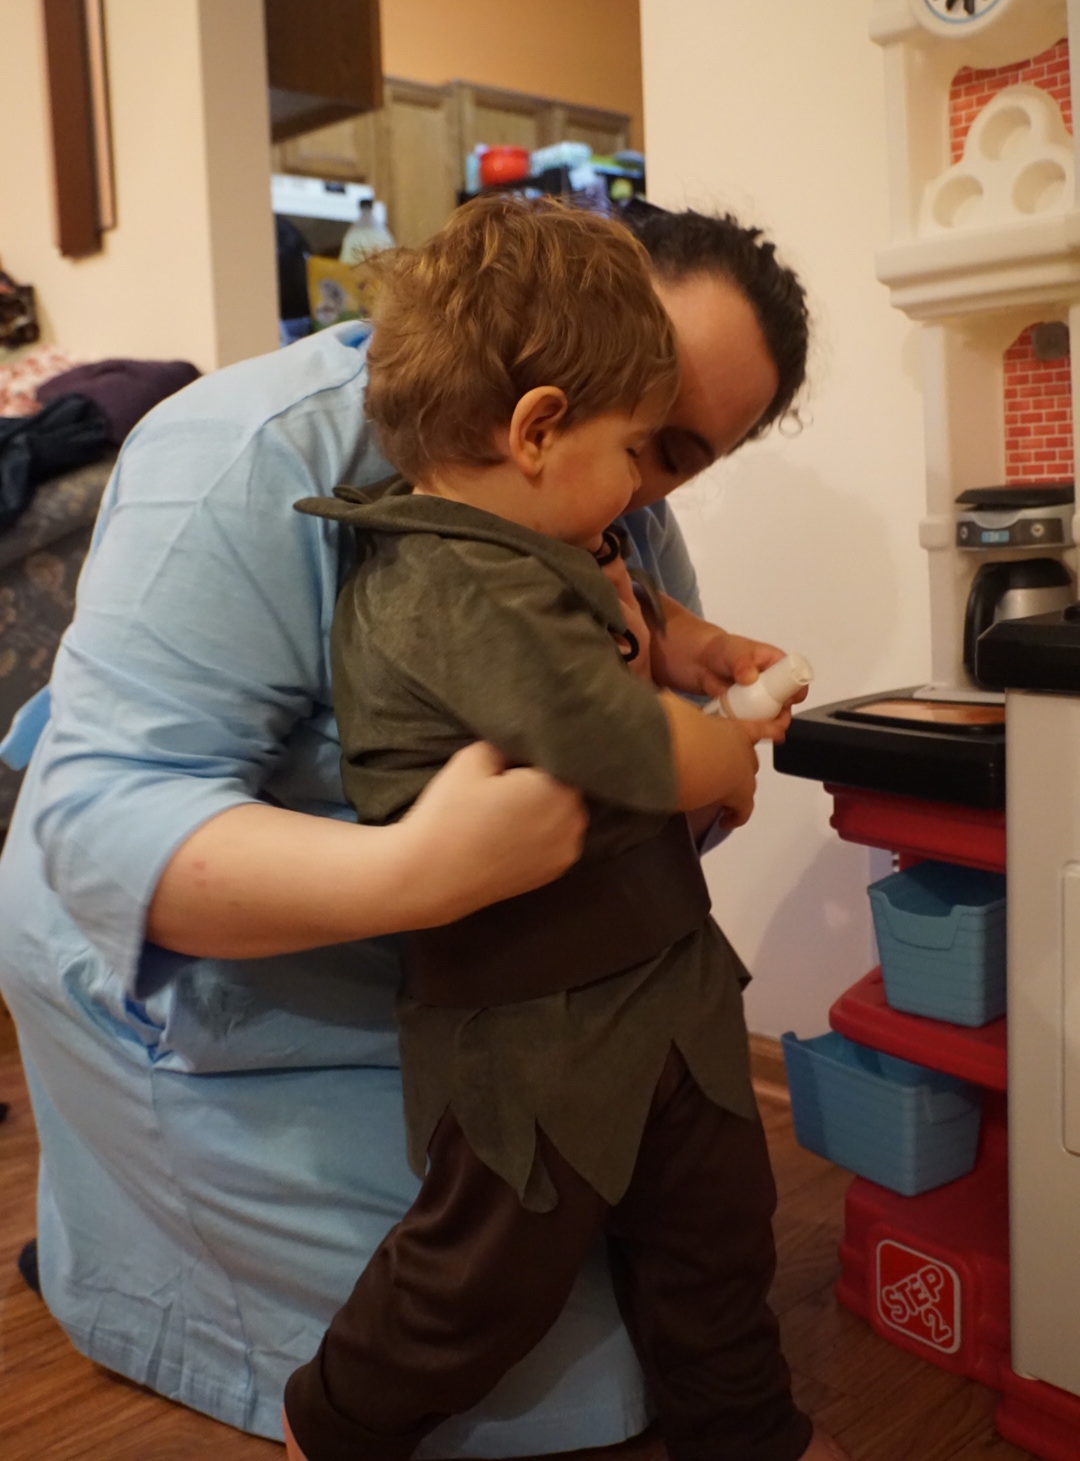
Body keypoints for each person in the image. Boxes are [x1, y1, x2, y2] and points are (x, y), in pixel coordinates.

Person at [0, 199, 816, 1453]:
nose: (640, 489)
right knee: (548, 1367)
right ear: (550, 380)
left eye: (679, 455)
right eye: (636, 435)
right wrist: (419, 868)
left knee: (675, 1269)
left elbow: (629, 724)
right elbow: (106, 822)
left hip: (495, 979)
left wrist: (685, 679)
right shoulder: (254, 456)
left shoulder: (609, 501)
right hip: (207, 968)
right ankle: (142, 1243)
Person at [281, 195, 834, 1461]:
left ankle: (748, 1434)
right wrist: (720, 739)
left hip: (665, 984)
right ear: (535, 430)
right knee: (482, 1278)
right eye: (638, 447)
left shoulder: (549, 545)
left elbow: (619, 607)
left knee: (719, 1233)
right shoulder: (439, 577)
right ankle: (335, 1423)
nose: (642, 491)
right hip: (531, 1022)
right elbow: (606, 727)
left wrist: (696, 643)